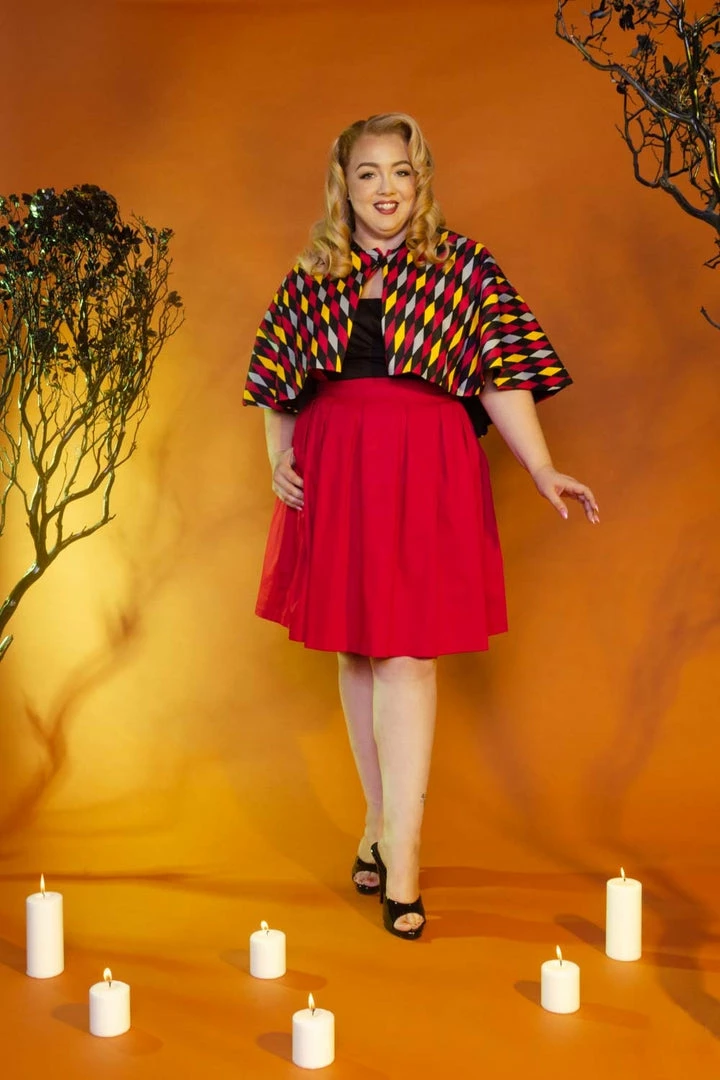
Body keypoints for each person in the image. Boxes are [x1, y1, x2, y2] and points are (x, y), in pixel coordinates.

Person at [243, 113, 598, 940]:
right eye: (368, 173)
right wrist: (279, 456)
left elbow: (502, 374)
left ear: (420, 180)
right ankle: (377, 819)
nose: (385, 189)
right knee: (357, 648)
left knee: (407, 654)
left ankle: (402, 857)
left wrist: (542, 467)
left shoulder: (463, 266)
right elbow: (277, 378)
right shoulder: (314, 272)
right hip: (336, 468)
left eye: (400, 172)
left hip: (425, 465)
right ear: (344, 184)